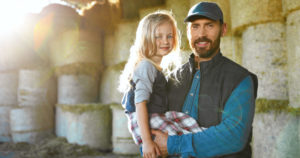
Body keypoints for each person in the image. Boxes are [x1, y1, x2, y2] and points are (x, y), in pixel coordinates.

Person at [151, 2, 258, 158]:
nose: (201, 34)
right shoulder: (171, 79)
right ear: (187, 31)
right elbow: (150, 126)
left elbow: (234, 136)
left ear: (223, 29)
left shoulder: (240, 79)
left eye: (209, 26)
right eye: (195, 26)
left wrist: (173, 145)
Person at [119, 11, 205, 158]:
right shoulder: (146, 66)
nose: (165, 41)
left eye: (169, 36)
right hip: (146, 120)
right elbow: (140, 103)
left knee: (190, 130)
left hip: (154, 116)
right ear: (146, 38)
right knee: (181, 143)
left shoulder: (153, 67)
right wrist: (146, 141)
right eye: (158, 36)